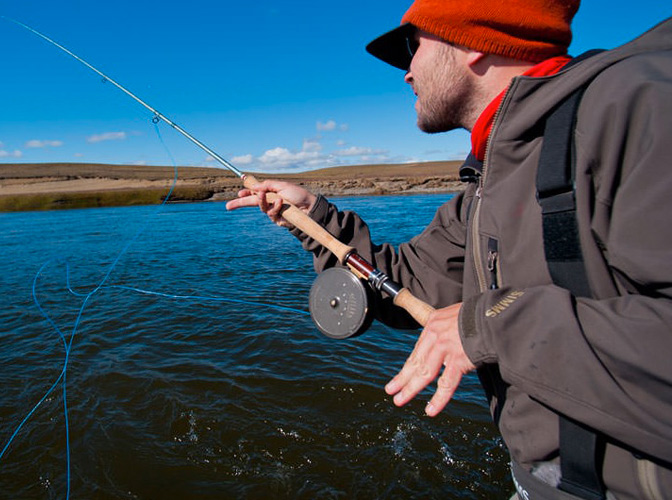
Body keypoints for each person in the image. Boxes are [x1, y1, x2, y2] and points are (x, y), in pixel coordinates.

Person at [226, 0, 672, 498]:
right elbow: (406, 285)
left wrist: (487, 324)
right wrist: (316, 217)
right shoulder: (488, 180)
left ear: (474, 41)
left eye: (413, 47)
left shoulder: (640, 107)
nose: (406, 73)